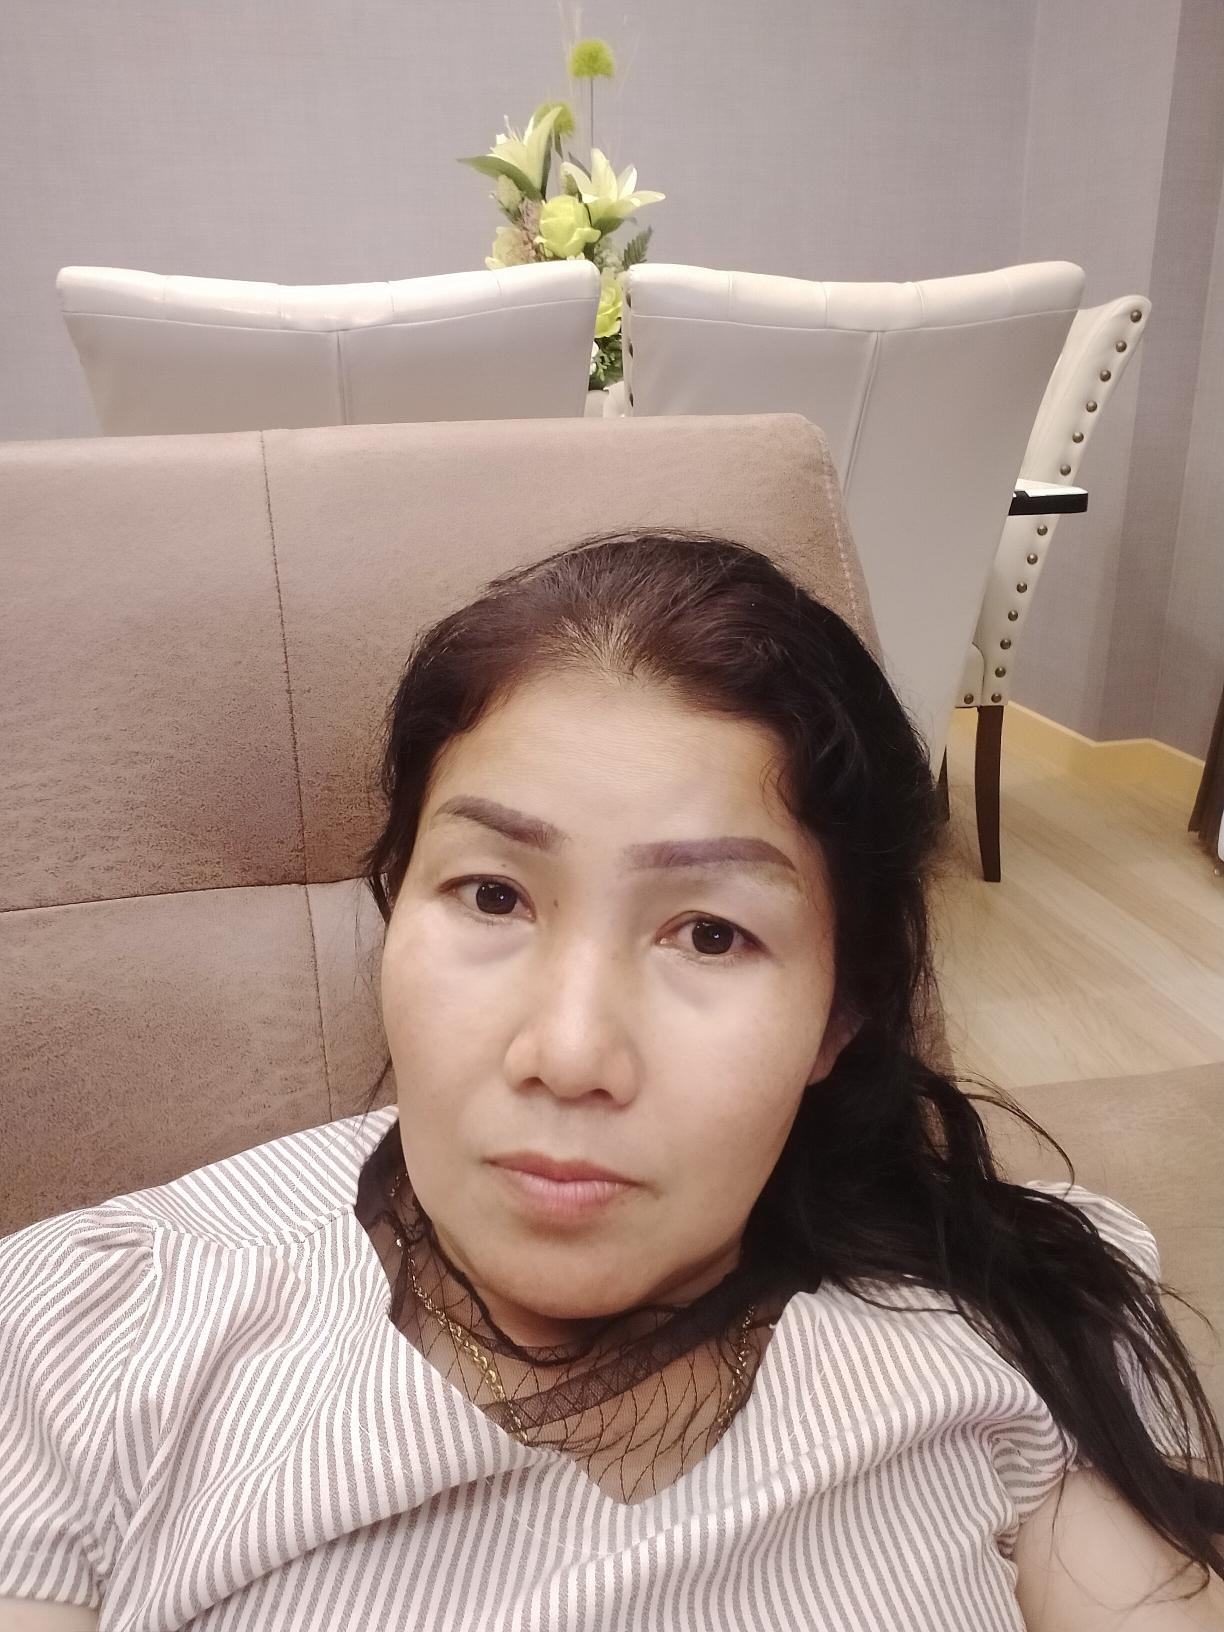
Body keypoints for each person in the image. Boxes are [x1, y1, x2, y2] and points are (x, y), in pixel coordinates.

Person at [1, 527, 1222, 1631]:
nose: (571, 1054)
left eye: (710, 934)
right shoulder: (94, 1332)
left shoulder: (1020, 1312)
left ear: (840, 1012)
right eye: (493, 895)